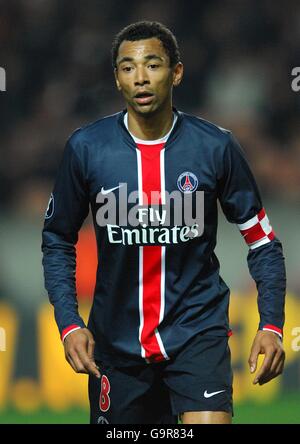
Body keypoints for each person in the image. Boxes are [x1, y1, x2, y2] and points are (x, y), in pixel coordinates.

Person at [41, 21, 286, 424]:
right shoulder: (86, 148)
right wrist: (69, 323)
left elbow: (262, 241)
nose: (140, 77)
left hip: (197, 333)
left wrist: (272, 324)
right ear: (117, 79)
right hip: (116, 344)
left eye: (152, 65)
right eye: (127, 67)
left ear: (176, 72)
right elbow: (57, 240)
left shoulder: (215, 147)